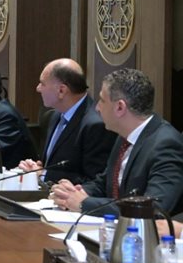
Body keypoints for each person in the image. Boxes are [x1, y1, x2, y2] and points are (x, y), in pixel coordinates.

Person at [50, 69, 183, 214]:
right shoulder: (124, 136)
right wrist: (75, 193)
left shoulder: (166, 144)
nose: (97, 107)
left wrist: (84, 203)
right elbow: (104, 183)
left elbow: (154, 208)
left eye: (102, 100)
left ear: (120, 107)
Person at [17, 59, 116, 184]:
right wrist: (37, 169)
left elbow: (94, 181)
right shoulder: (54, 116)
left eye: (42, 84)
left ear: (61, 91)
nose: (38, 88)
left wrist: (44, 174)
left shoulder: (96, 125)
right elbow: (51, 165)